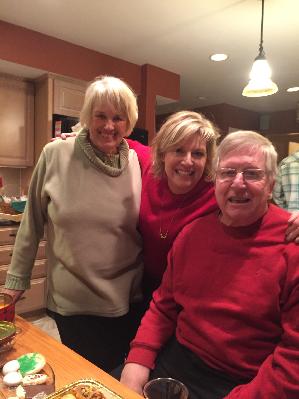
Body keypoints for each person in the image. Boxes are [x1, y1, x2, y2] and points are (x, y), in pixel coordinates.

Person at [120, 131, 299, 399]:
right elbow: (163, 306)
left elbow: (293, 357)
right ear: (215, 181)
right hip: (176, 360)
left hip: (244, 382)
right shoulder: (192, 234)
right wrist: (138, 360)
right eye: (228, 172)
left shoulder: (292, 246)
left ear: (271, 184)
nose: (238, 184)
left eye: (252, 174)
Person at [1, 75, 145, 372]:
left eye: (118, 117)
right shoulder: (55, 154)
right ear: (87, 117)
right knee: (82, 376)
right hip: (74, 303)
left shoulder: (137, 162)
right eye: (100, 115)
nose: (109, 125)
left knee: (117, 379)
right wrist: (15, 283)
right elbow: (32, 223)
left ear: (128, 122)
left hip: (129, 300)